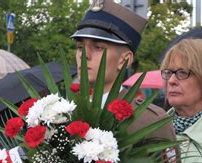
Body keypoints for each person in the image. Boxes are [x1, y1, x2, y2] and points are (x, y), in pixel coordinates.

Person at [70, 0, 175, 140]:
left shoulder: (149, 121)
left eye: (98, 47)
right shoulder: (62, 113)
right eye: (80, 47)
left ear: (124, 60)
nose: (85, 56)